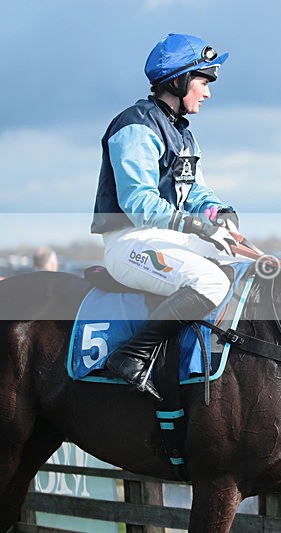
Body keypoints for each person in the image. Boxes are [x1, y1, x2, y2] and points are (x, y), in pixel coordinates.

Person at [90, 34, 238, 401]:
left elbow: (196, 194)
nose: (207, 93)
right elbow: (138, 201)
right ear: (179, 80)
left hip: (164, 238)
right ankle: (132, 356)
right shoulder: (136, 125)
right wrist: (195, 225)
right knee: (211, 283)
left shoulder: (184, 136)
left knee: (230, 257)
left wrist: (220, 214)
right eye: (203, 81)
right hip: (130, 242)